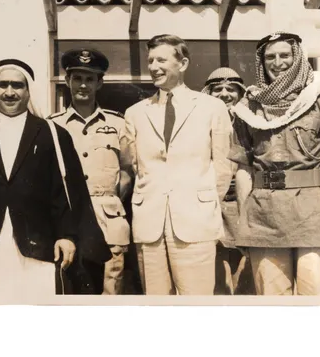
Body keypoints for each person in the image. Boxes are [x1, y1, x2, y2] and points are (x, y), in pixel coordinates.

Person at [0, 59, 110, 298]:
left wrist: (67, 236)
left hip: (40, 248)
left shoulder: (53, 134)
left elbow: (67, 193)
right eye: (2, 85)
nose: (9, 92)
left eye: (17, 85)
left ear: (28, 90)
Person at [120, 34, 233, 295]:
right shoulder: (136, 112)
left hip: (195, 222)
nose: (153, 66)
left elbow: (223, 166)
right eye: (150, 60)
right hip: (150, 224)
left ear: (182, 64)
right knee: (156, 302)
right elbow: (134, 165)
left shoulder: (212, 107)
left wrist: (201, 203)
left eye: (161, 59)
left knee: (197, 302)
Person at [229, 32, 320, 295]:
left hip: (313, 215)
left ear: (297, 58)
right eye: (270, 57)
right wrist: (243, 219)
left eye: (285, 55)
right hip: (264, 216)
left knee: (315, 296)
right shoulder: (248, 109)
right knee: (273, 303)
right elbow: (243, 169)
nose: (277, 62)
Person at [49, 48, 131, 295]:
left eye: (89, 79)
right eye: (77, 78)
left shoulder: (118, 124)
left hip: (108, 217)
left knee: (110, 286)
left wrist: (111, 200)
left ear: (100, 83)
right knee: (67, 284)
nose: (83, 85)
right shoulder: (53, 124)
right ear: (67, 81)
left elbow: (127, 171)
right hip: (68, 217)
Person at [201, 67, 255, 295]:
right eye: (217, 89)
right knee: (214, 278)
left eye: (231, 89)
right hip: (209, 205)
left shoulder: (251, 123)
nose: (224, 94)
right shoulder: (198, 122)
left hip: (242, 205)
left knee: (245, 275)